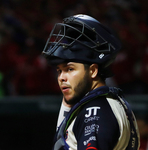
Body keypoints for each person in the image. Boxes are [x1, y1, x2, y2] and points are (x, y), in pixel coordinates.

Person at [42, 14, 140, 150]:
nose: (61, 78)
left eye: (70, 69)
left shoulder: (95, 111)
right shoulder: (104, 102)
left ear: (93, 71)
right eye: (59, 71)